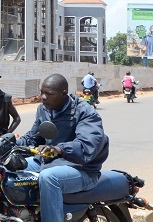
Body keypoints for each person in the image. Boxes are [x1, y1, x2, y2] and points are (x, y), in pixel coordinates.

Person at [16, 74, 109, 222]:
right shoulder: (43, 109)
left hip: (82, 168)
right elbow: (33, 137)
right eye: (42, 92)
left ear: (64, 93)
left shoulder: (84, 111)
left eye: (49, 94)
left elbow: (88, 144)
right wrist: (5, 143)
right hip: (48, 161)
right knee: (10, 168)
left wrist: (60, 149)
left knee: (49, 178)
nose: (43, 97)